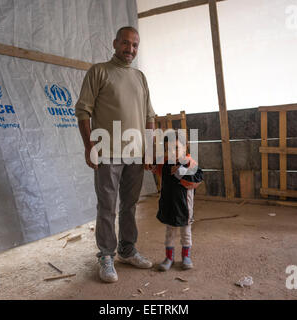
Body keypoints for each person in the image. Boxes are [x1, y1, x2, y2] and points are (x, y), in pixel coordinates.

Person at [75, 26, 156, 283]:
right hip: (107, 152)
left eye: (134, 45)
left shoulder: (140, 77)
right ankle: (106, 255)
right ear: (115, 43)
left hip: (135, 153)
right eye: (125, 43)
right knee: (107, 207)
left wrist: (150, 150)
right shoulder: (99, 71)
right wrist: (90, 147)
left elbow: (149, 117)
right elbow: (83, 111)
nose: (129, 49)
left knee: (129, 206)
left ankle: (127, 250)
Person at [151, 132, 203, 271]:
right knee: (169, 233)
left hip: (184, 207)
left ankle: (186, 257)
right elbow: (154, 167)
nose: (172, 152)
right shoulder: (166, 163)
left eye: (175, 148)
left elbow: (196, 181)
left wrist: (180, 172)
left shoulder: (190, 163)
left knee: (186, 232)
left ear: (185, 147)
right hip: (168, 205)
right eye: (168, 149)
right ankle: (169, 258)